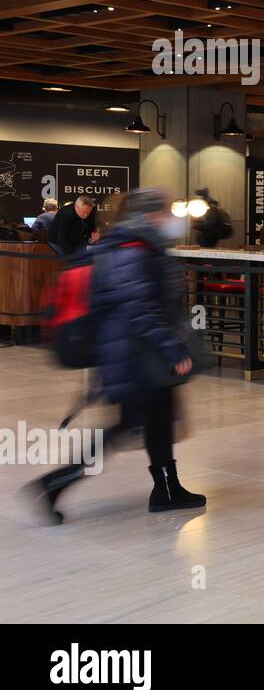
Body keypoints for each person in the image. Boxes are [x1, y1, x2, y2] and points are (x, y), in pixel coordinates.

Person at [28, 188, 205, 524]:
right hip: (134, 354)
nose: (173, 218)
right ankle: (53, 484)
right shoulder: (133, 248)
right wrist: (171, 347)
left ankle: (168, 489)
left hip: (136, 351)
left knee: (156, 418)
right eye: (169, 211)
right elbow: (139, 306)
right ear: (153, 215)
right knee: (127, 425)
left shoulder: (141, 243)